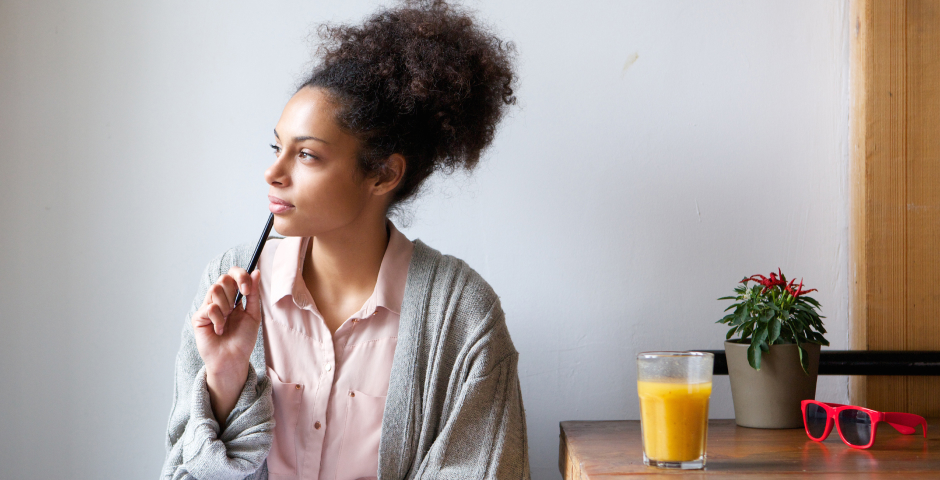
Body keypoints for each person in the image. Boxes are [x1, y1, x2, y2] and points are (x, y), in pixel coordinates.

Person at [161, 1, 529, 479]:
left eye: (307, 155)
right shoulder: (229, 290)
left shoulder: (461, 315)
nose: (273, 173)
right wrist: (226, 385)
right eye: (277, 147)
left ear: (382, 174)